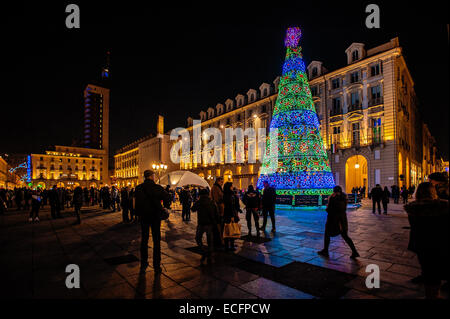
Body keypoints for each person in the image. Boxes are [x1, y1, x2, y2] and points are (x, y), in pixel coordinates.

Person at [404, 182, 449, 299]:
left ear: (417, 192)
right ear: (433, 192)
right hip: (440, 243)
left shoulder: (413, 208)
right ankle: (435, 294)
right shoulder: (443, 206)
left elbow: (414, 227)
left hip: (421, 244)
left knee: (427, 269)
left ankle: (430, 295)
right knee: (437, 270)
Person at [134, 170, 171, 272]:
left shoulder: (138, 188)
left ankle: (144, 262)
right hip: (155, 217)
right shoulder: (157, 188)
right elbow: (168, 198)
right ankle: (156, 265)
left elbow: (136, 204)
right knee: (156, 240)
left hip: (143, 217)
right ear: (151, 176)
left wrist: (138, 214)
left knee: (144, 239)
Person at [318, 186, 360, 259]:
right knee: (345, 236)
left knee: (327, 234)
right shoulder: (344, 198)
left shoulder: (333, 198)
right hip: (342, 220)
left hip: (333, 220)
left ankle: (325, 250)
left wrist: (327, 206)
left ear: (334, 192)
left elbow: (329, 209)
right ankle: (354, 251)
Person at [191, 188, 219, 264]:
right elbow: (216, 213)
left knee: (198, 238)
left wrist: (196, 201)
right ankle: (210, 254)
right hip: (210, 223)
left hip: (201, 223)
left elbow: (192, 209)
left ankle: (203, 251)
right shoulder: (212, 202)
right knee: (210, 240)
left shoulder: (198, 202)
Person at [222, 182, 239, 251]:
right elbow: (230, 206)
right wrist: (232, 216)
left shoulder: (225, 194)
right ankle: (231, 245)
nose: (232, 187)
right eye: (231, 186)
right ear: (229, 187)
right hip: (230, 214)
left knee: (227, 230)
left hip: (226, 214)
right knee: (231, 229)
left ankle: (227, 245)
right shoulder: (229, 195)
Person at [210, 177, 224, 249]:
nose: (222, 183)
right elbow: (216, 199)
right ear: (218, 181)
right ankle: (219, 240)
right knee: (218, 225)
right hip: (217, 209)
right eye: (221, 182)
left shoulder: (218, 187)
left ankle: (220, 240)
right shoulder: (215, 188)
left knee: (219, 225)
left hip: (219, 208)